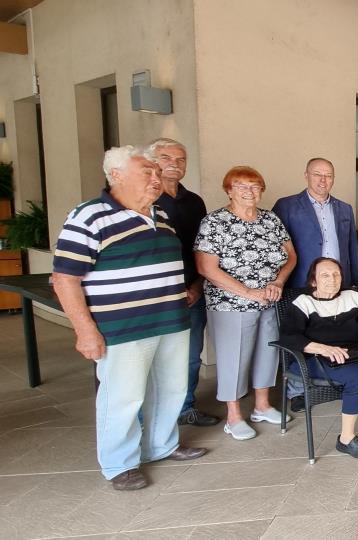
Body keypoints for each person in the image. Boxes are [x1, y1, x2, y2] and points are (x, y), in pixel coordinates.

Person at [52, 146, 207, 491]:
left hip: (170, 319)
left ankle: (162, 445)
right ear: (116, 175)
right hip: (123, 326)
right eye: (147, 172)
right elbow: (64, 278)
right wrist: (85, 330)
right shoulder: (90, 216)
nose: (156, 178)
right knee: (123, 397)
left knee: (170, 388)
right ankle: (119, 464)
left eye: (157, 172)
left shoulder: (159, 214)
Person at [195, 166, 297, 441]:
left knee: (267, 352)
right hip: (230, 304)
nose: (249, 191)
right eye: (241, 186)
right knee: (234, 358)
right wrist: (249, 293)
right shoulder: (215, 222)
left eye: (255, 186)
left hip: (269, 300)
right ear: (229, 191)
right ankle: (234, 416)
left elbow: (291, 256)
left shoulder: (270, 220)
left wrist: (278, 282)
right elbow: (206, 267)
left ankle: (262, 406)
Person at [278, 258, 358, 459]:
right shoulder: (303, 303)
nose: (332, 279)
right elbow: (288, 337)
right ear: (313, 280)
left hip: (353, 356)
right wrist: (323, 349)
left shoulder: (353, 297)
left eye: (336, 274)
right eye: (325, 275)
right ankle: (346, 439)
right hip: (316, 359)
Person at [148, 138, 218, 427]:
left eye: (180, 159)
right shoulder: (144, 200)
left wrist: (197, 286)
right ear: (152, 162)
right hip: (157, 298)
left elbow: (203, 249)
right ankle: (151, 419)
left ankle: (185, 407)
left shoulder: (194, 202)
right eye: (166, 158)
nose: (174, 164)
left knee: (190, 357)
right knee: (153, 359)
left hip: (192, 293)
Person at [272, 158, 358, 289]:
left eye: (328, 176)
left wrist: (355, 282)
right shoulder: (286, 206)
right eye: (317, 174)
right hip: (301, 282)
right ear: (306, 176)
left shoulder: (345, 209)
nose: (323, 180)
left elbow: (352, 248)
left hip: (338, 281)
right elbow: (275, 247)